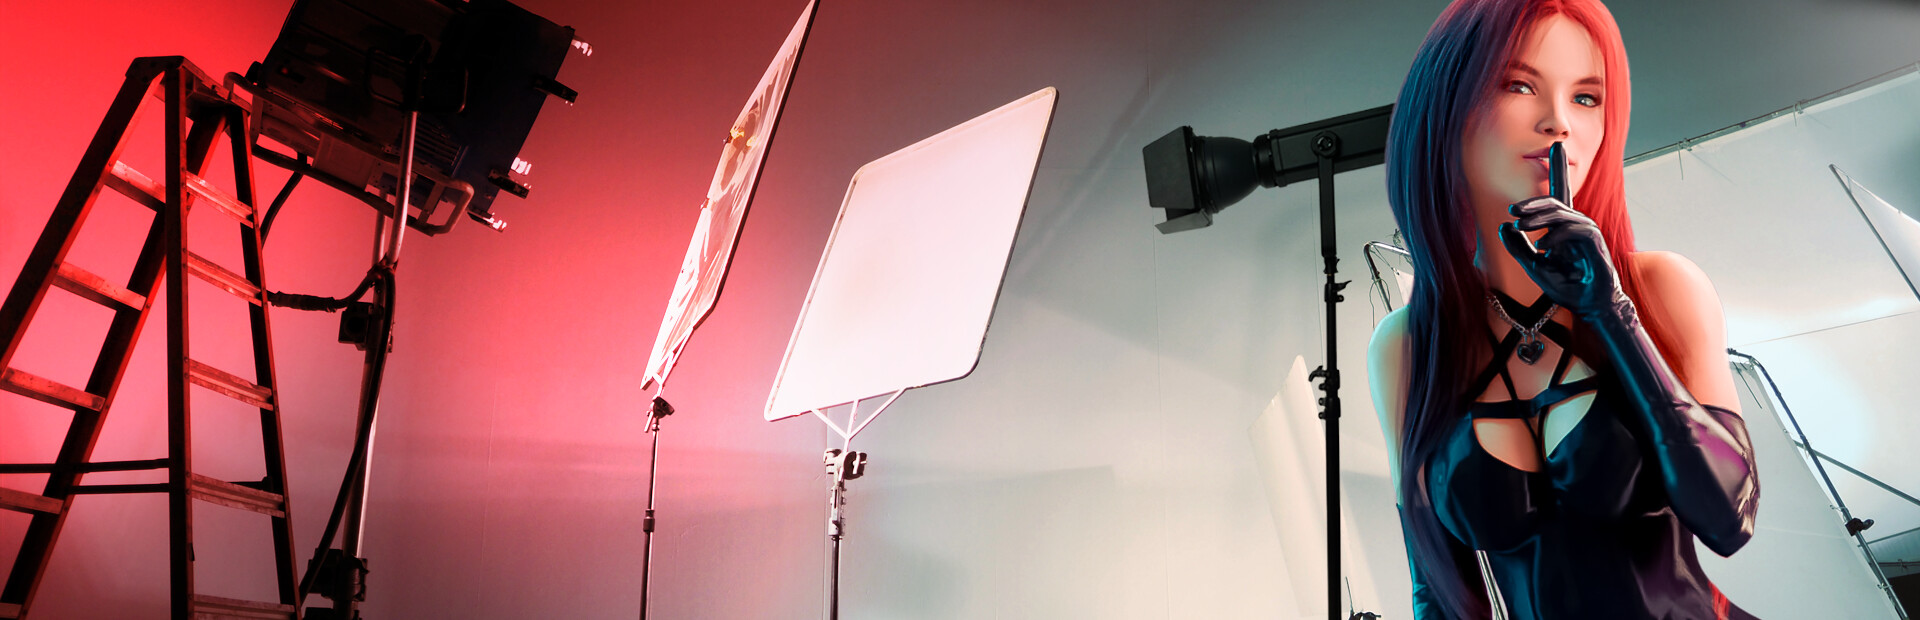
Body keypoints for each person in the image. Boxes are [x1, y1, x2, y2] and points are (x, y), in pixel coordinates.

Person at [1366, 0, 1760, 618]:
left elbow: (1729, 520)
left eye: (1585, 97)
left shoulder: (1662, 288)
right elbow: (1438, 590)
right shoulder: (1408, 346)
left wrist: (1610, 312)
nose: (1558, 122)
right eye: (1519, 85)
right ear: (1446, 109)